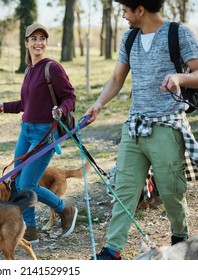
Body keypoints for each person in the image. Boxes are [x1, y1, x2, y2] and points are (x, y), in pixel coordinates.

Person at [85, 0, 198, 260]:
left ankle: (182, 242)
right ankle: (111, 251)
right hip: (134, 127)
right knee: (124, 189)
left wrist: (179, 78)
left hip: (167, 126)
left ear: (140, 9)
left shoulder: (178, 33)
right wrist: (98, 104)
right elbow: (116, 79)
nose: (122, 15)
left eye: (125, 9)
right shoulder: (130, 38)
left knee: (171, 191)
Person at [0, 23, 78, 243]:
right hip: (26, 130)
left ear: (46, 43)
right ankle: (31, 230)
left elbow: (70, 97)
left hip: (45, 132)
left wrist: (61, 109)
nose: (38, 42)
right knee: (19, 181)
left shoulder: (52, 68)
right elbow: (25, 103)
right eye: (34, 38)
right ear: (26, 43)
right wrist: (2, 106)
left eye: (42, 38)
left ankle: (65, 209)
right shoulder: (30, 70)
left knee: (28, 184)